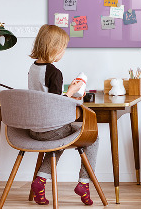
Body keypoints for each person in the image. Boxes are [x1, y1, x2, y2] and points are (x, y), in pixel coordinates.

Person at [28, 24, 98, 206]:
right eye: (63, 48)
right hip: (51, 129)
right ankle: (84, 183)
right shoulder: (54, 72)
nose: (64, 52)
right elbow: (55, 104)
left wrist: (67, 92)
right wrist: (72, 92)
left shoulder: (33, 68)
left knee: (58, 141)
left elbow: (45, 97)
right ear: (54, 48)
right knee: (93, 137)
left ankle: (40, 181)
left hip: (34, 129)